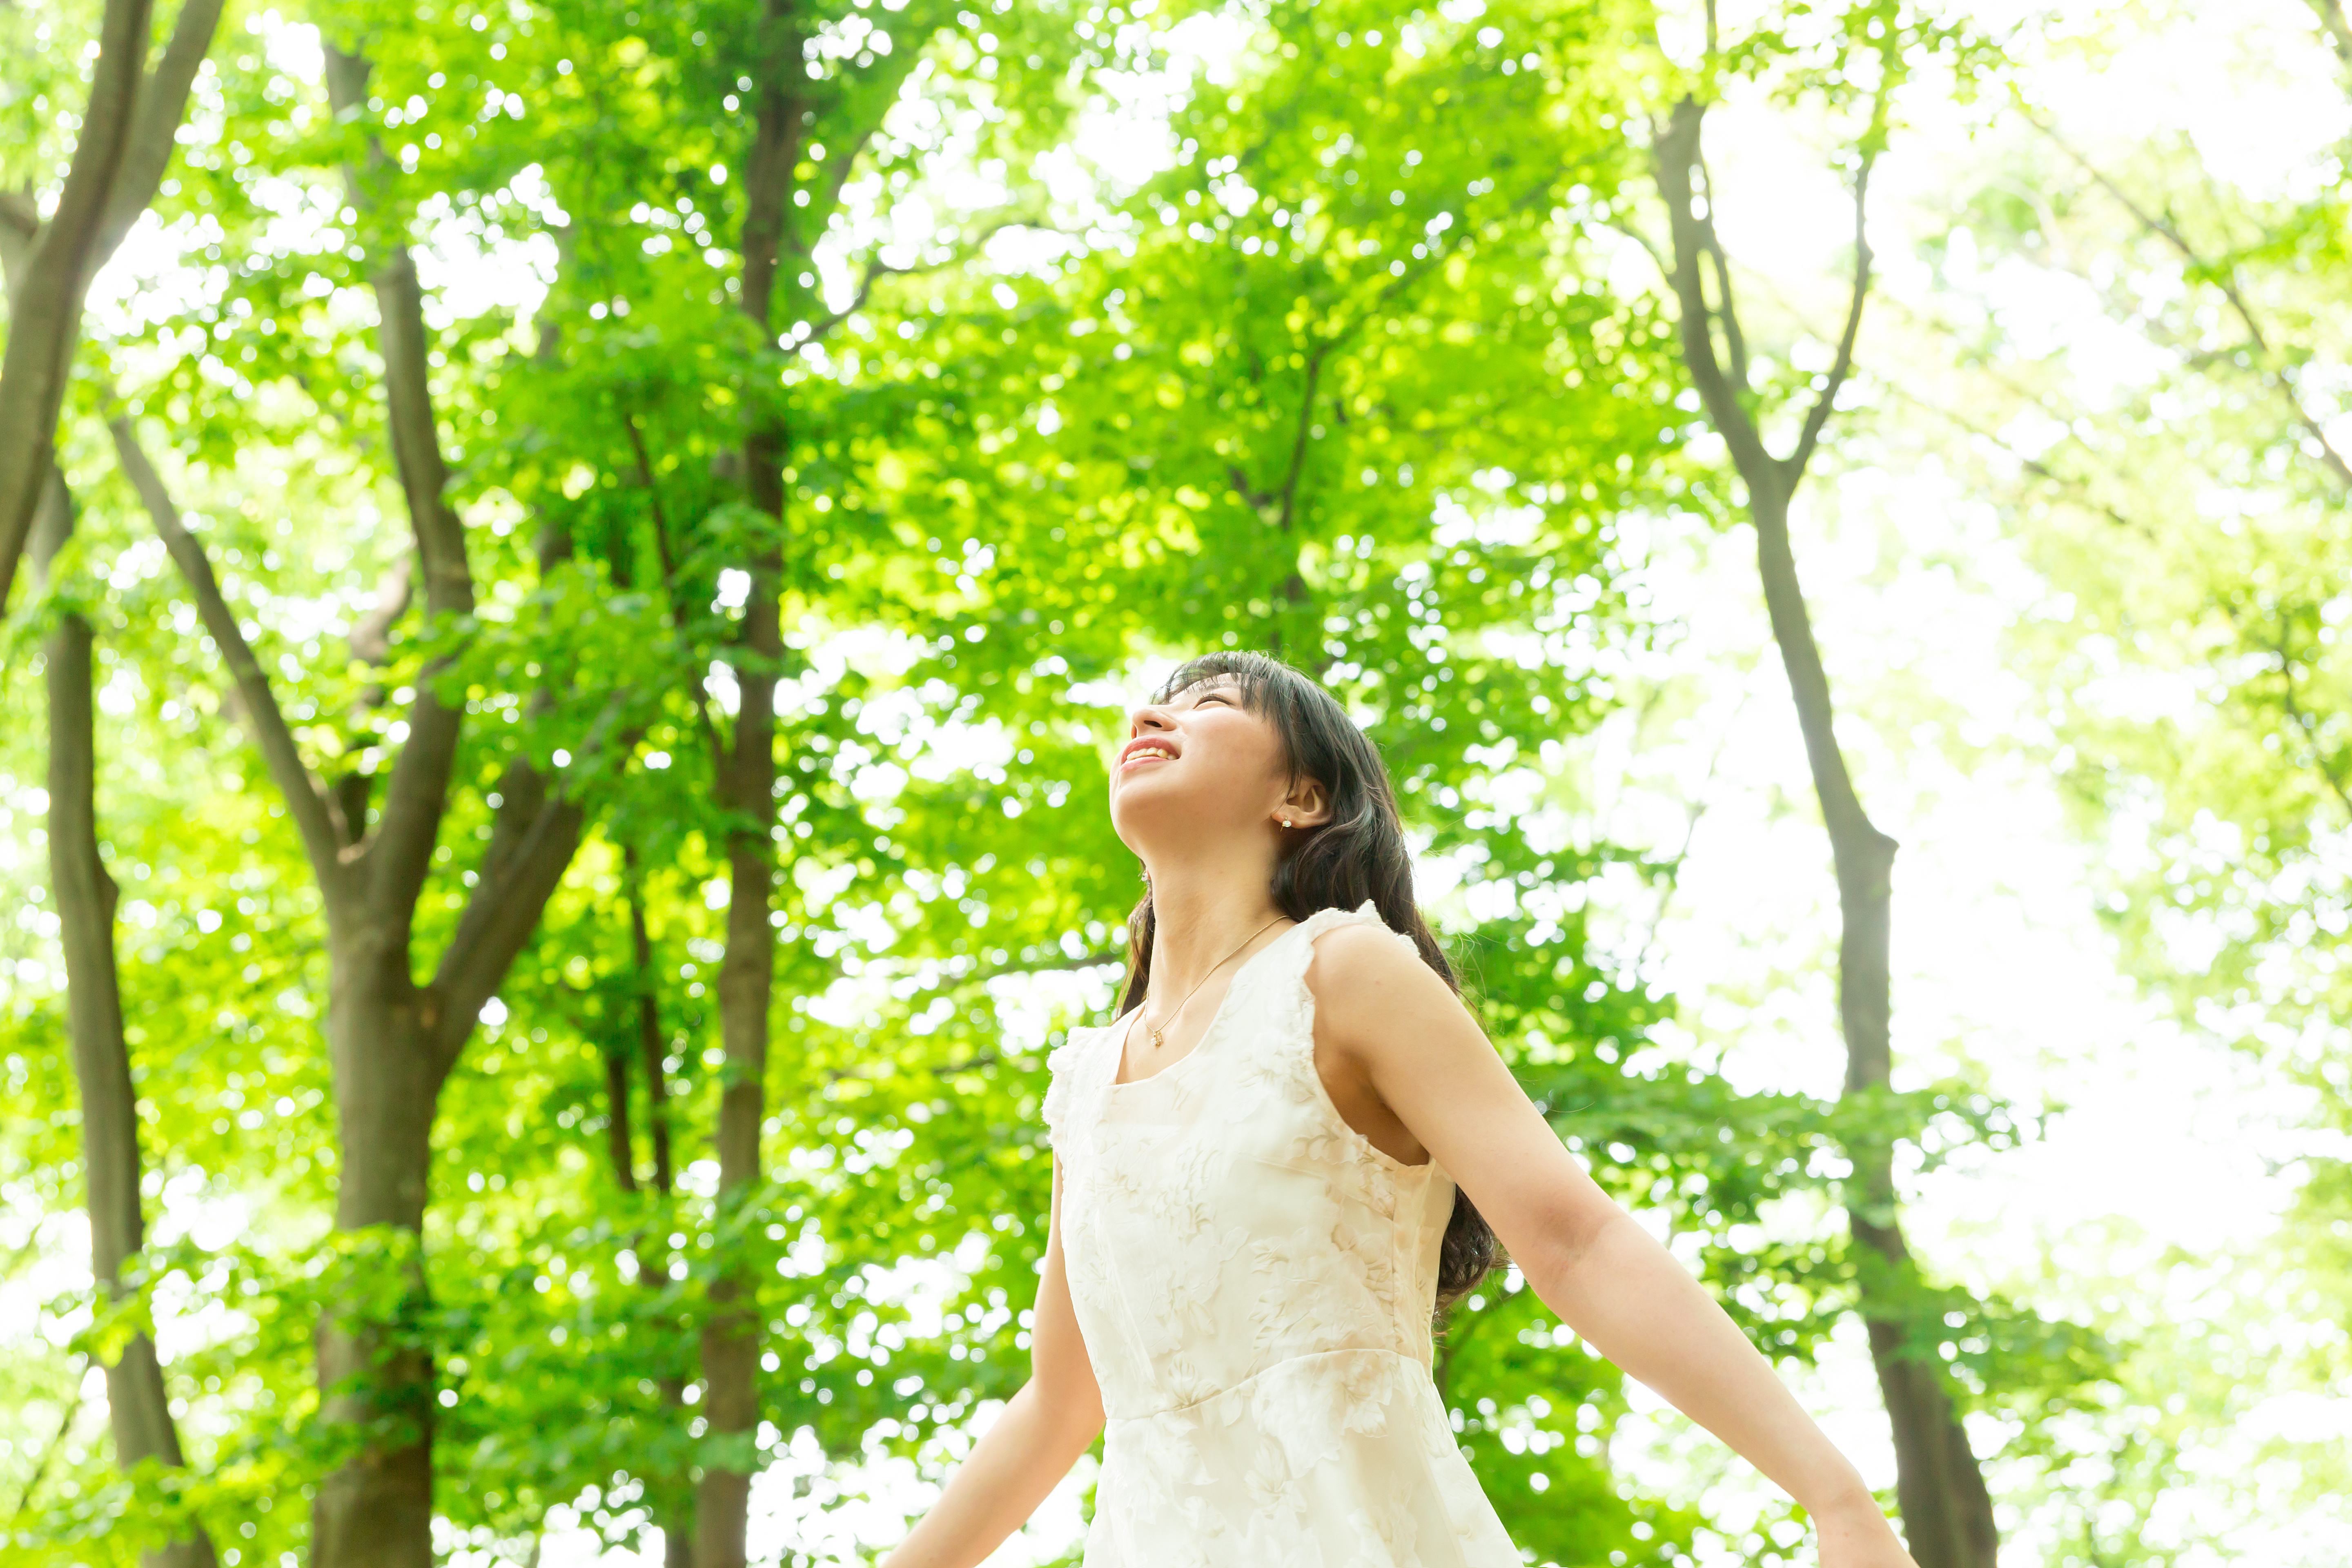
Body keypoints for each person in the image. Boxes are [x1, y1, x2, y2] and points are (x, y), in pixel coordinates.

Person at [882, 650, 1920, 1568]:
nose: (1153, 720)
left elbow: (1577, 1241)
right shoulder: (1085, 1084)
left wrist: (1834, 1498)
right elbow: (1063, 1403)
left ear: (1301, 796)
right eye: (1150, 708)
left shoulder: (1346, 971)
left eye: (1208, 702)